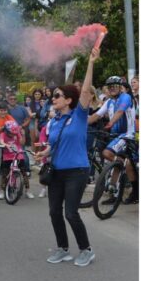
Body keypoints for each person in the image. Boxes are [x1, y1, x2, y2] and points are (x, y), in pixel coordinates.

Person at [33, 46, 99, 267]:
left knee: (71, 213)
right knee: (54, 212)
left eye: (58, 96)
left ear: (69, 99)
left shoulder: (79, 115)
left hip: (77, 171)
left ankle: (86, 250)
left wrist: (91, 62)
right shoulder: (55, 121)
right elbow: (54, 146)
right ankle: (62, 248)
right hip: (57, 172)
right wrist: (44, 152)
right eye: (53, 96)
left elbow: (87, 91)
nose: (54, 98)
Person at [88, 76, 137, 204]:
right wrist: (81, 124)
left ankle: (122, 168)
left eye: (115, 86)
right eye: (110, 87)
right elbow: (96, 115)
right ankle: (115, 193)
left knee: (107, 153)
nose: (112, 88)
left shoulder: (125, 97)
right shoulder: (109, 102)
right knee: (120, 164)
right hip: (115, 136)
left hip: (127, 135)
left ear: (120, 87)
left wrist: (110, 123)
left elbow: (120, 111)